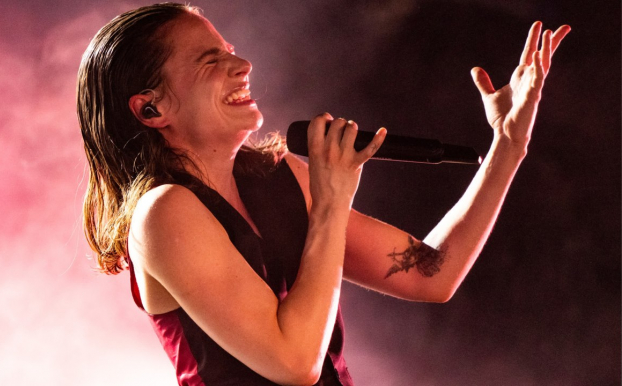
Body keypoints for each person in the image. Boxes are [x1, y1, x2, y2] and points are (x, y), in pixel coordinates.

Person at [77, 3, 569, 385]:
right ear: (151, 108)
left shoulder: (279, 177)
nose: (243, 64)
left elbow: (429, 275)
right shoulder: (163, 214)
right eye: (213, 61)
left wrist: (508, 145)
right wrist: (332, 202)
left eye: (231, 51)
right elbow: (293, 363)